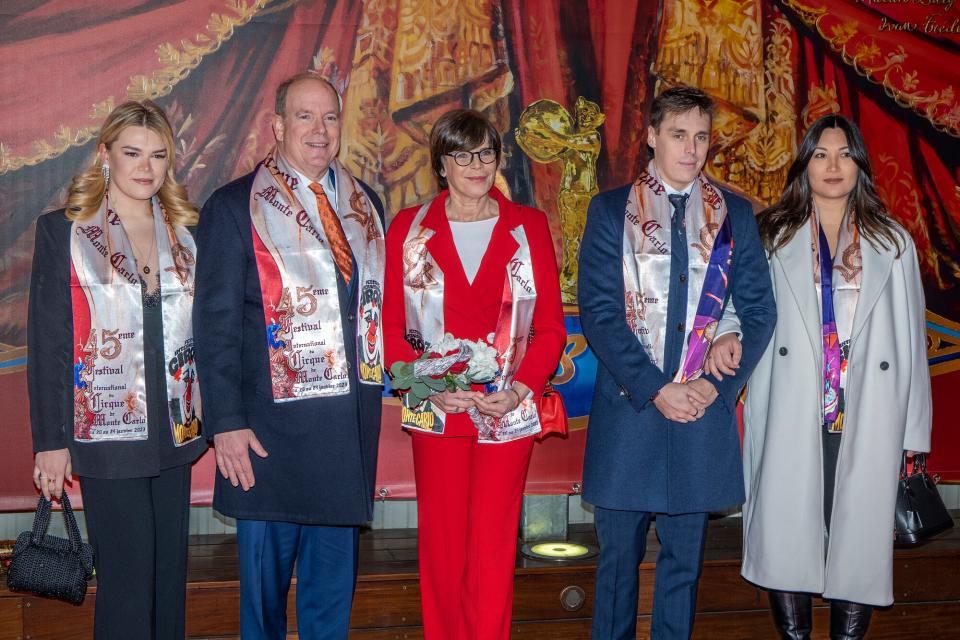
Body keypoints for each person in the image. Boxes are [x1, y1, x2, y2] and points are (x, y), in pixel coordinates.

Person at [707, 113, 932, 639]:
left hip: (869, 410)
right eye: (821, 155)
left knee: (858, 541)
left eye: (844, 154)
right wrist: (725, 334)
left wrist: (913, 435)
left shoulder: (894, 243)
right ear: (804, 164)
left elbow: (912, 343)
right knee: (787, 531)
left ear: (860, 165)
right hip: (791, 405)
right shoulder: (769, 236)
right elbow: (740, 308)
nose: (833, 166)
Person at [578, 85, 776, 639]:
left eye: (700, 137)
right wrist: (658, 388)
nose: (690, 149)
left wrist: (717, 386)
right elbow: (599, 313)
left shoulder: (735, 215)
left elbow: (759, 313)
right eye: (677, 135)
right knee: (616, 567)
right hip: (632, 412)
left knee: (683, 568)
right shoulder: (610, 210)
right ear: (651, 137)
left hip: (701, 412)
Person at [192, 73, 386, 639]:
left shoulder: (364, 203)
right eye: (305, 117)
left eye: (329, 117)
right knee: (264, 610)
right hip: (267, 441)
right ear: (277, 126)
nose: (319, 130)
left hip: (343, 438)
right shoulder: (233, 207)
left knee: (330, 609)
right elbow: (215, 326)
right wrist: (225, 423)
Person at [383, 108, 565, 640]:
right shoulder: (409, 229)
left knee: (491, 545)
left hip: (505, 410)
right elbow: (391, 328)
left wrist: (519, 390)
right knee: (443, 548)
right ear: (441, 164)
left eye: (485, 152)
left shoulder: (528, 227)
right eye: (462, 154)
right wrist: (435, 386)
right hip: (437, 410)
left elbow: (551, 329)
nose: (476, 165)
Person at [28, 100, 205, 639]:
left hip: (174, 433)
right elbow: (50, 345)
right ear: (105, 155)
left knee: (168, 580)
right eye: (132, 153)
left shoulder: (185, 232)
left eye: (157, 155)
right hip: (106, 435)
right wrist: (50, 442)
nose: (146, 167)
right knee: (129, 584)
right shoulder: (64, 232)